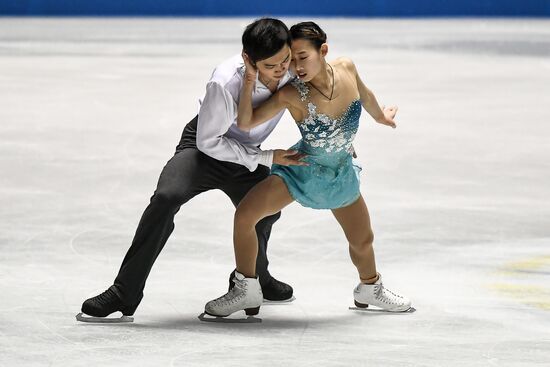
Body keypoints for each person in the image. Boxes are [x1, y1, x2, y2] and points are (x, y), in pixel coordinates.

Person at [78, 18, 306, 322]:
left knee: (267, 210)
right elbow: (211, 142)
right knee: (166, 198)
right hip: (204, 149)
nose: (280, 70)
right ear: (248, 59)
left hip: (248, 154)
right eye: (270, 65)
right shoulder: (225, 82)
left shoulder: (293, 70)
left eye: (285, 59)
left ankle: (255, 278)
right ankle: (125, 291)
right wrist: (265, 157)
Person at [204, 21, 412, 318]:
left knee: (363, 239)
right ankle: (246, 288)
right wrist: (250, 79)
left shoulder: (347, 68)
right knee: (246, 215)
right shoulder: (292, 93)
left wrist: (381, 117)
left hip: (339, 172)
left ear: (323, 50)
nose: (296, 66)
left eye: (302, 56)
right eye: (292, 58)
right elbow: (246, 122)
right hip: (302, 168)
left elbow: (364, 96)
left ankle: (370, 287)